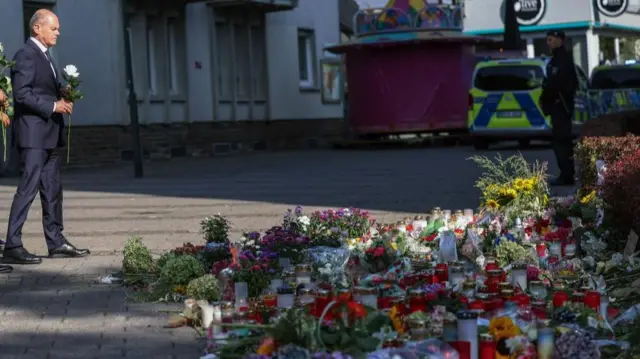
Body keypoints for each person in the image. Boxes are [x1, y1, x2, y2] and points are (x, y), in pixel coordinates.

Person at [2, 9, 89, 266]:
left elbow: (40, 88)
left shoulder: (46, 56)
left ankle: (56, 241)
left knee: (52, 190)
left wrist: (62, 92)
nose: (58, 32)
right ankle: (13, 244)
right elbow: (22, 94)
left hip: (50, 135)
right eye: (54, 28)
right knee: (28, 189)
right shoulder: (25, 55)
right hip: (33, 135)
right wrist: (53, 107)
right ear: (37, 28)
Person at [540, 30, 578, 186]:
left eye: (551, 40)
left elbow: (556, 85)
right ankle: (567, 173)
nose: (548, 43)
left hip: (561, 106)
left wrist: (546, 98)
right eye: (547, 40)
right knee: (561, 143)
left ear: (560, 40)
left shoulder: (562, 60)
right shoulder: (557, 59)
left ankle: (567, 175)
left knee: (561, 143)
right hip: (558, 107)